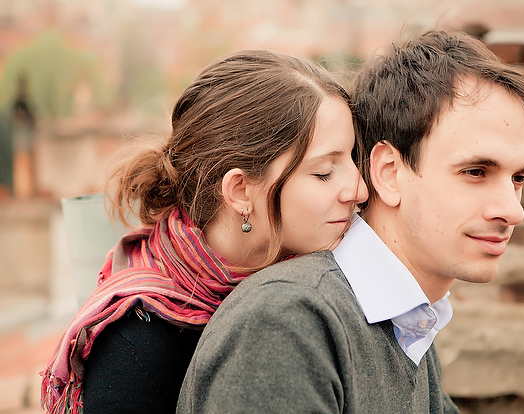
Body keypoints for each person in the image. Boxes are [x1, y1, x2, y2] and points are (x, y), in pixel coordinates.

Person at [177, 30, 524, 413]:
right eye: (475, 172)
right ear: (388, 173)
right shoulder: (286, 322)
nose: (512, 210)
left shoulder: (410, 324)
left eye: (519, 178)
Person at [41, 50, 368, 414]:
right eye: (324, 172)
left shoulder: (329, 284)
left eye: (353, 159)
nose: (359, 190)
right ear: (241, 191)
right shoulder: (136, 345)